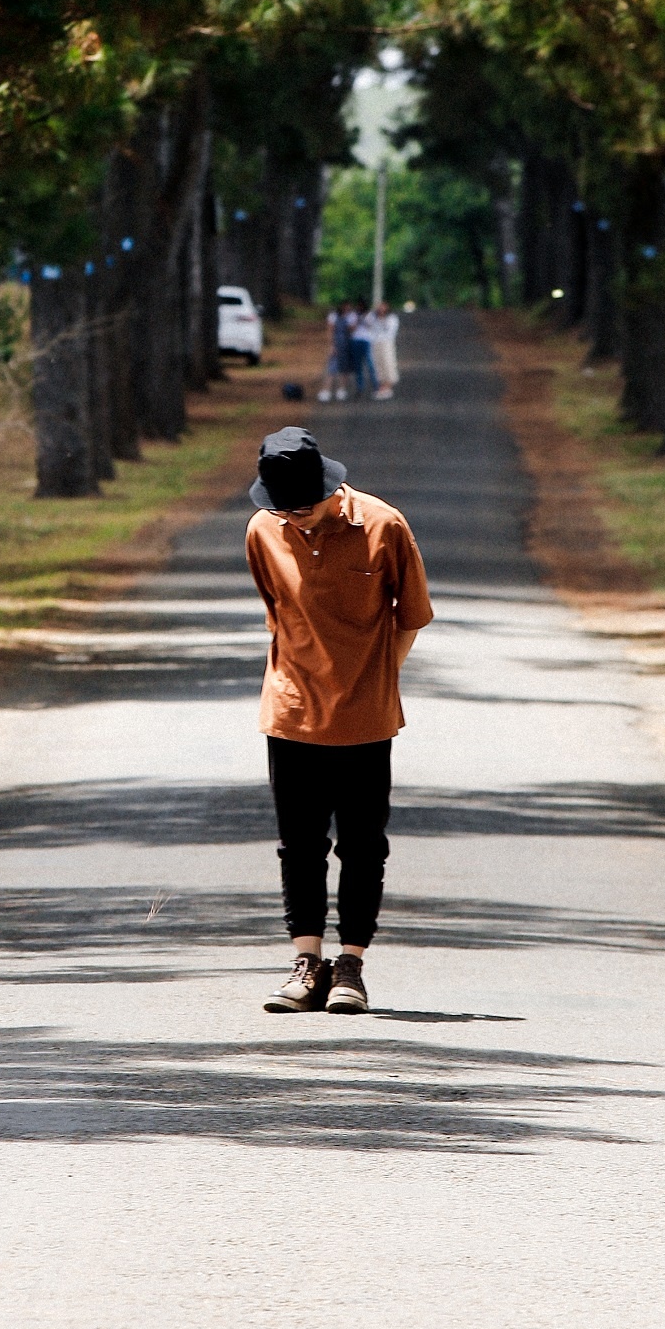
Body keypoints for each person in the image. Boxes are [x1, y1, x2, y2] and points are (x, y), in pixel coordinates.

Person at [245, 425, 433, 1013]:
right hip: (292, 710)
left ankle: (350, 966)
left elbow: (411, 615)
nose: (295, 518)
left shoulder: (384, 526)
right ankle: (306, 962)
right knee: (298, 845)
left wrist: (375, 674)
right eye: (284, 509)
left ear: (330, 487)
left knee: (362, 845)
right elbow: (276, 613)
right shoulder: (263, 530)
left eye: (305, 506)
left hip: (366, 713)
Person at [317, 303, 355, 403]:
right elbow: (330, 331)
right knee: (332, 368)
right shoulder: (333, 316)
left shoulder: (351, 316)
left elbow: (352, 330)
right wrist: (332, 345)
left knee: (344, 368)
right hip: (337, 343)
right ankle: (326, 390)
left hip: (347, 344)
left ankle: (341, 389)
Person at [369, 300, 400, 398]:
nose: (381, 308)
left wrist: (382, 319)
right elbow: (369, 325)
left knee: (387, 363)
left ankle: (388, 387)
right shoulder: (373, 317)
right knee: (378, 364)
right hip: (375, 342)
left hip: (386, 342)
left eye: (383, 306)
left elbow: (390, 330)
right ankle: (382, 387)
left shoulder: (392, 318)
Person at [350, 300, 376, 398]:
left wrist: (364, 318)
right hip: (356, 340)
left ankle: (375, 385)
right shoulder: (354, 315)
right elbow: (351, 328)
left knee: (370, 363)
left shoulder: (370, 315)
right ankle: (360, 388)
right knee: (358, 365)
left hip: (366, 340)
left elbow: (371, 326)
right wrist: (357, 320)